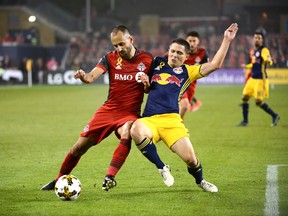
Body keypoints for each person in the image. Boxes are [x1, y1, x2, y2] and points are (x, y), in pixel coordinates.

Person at [41, 25, 154, 191]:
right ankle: (58, 180)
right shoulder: (110, 58)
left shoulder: (148, 59)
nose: (119, 49)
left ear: (131, 39)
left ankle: (109, 177)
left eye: (121, 44)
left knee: (128, 131)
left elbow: (149, 89)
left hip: (130, 113)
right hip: (108, 110)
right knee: (79, 147)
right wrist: (83, 76)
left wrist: (147, 85)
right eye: (115, 45)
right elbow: (91, 76)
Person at [130, 23, 238, 192]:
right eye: (172, 51)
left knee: (191, 160)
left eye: (179, 53)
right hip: (150, 119)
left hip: (172, 121)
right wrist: (145, 84)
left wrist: (226, 39)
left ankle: (201, 181)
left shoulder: (189, 71)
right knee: (135, 129)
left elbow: (215, 64)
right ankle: (162, 167)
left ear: (186, 56)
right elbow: (147, 88)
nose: (174, 55)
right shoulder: (157, 63)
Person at [237, 31, 280, 127]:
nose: (257, 39)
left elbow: (267, 59)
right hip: (252, 79)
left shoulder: (264, 50)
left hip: (261, 80)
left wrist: (270, 60)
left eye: (259, 38)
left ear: (262, 40)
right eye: (255, 37)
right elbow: (254, 63)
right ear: (253, 39)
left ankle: (275, 115)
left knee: (258, 102)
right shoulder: (254, 51)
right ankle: (245, 121)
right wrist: (246, 66)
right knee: (244, 97)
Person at [179, 31, 209, 120]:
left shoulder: (202, 53)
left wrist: (198, 70)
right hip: (178, 82)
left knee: (184, 108)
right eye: (190, 41)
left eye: (194, 41)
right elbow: (166, 59)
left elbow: (207, 69)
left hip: (191, 84)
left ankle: (179, 128)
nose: (192, 43)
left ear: (198, 41)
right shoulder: (180, 51)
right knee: (184, 106)